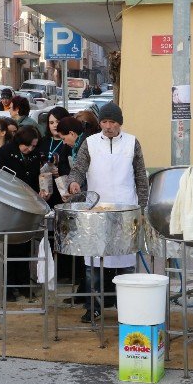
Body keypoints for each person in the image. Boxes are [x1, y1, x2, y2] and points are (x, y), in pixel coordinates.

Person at [67, 102, 149, 323]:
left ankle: (128, 307)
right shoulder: (90, 143)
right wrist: (74, 183)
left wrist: (143, 208)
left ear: (119, 123)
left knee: (126, 263)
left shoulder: (132, 143)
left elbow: (141, 177)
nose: (108, 126)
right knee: (94, 262)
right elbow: (78, 169)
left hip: (126, 210)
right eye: (104, 121)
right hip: (97, 210)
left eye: (112, 122)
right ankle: (92, 307)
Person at [0, 126, 47, 300]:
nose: (29, 149)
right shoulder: (5, 153)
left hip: (27, 204)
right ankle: (7, 287)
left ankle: (23, 284)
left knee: (24, 245)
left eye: (32, 146)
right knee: (7, 246)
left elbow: (37, 176)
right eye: (27, 146)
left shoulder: (35, 154)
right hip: (7, 205)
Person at [37, 106, 71, 208]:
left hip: (64, 191)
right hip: (45, 191)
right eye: (51, 123)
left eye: (58, 121)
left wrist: (60, 171)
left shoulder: (69, 142)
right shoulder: (42, 141)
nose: (55, 125)